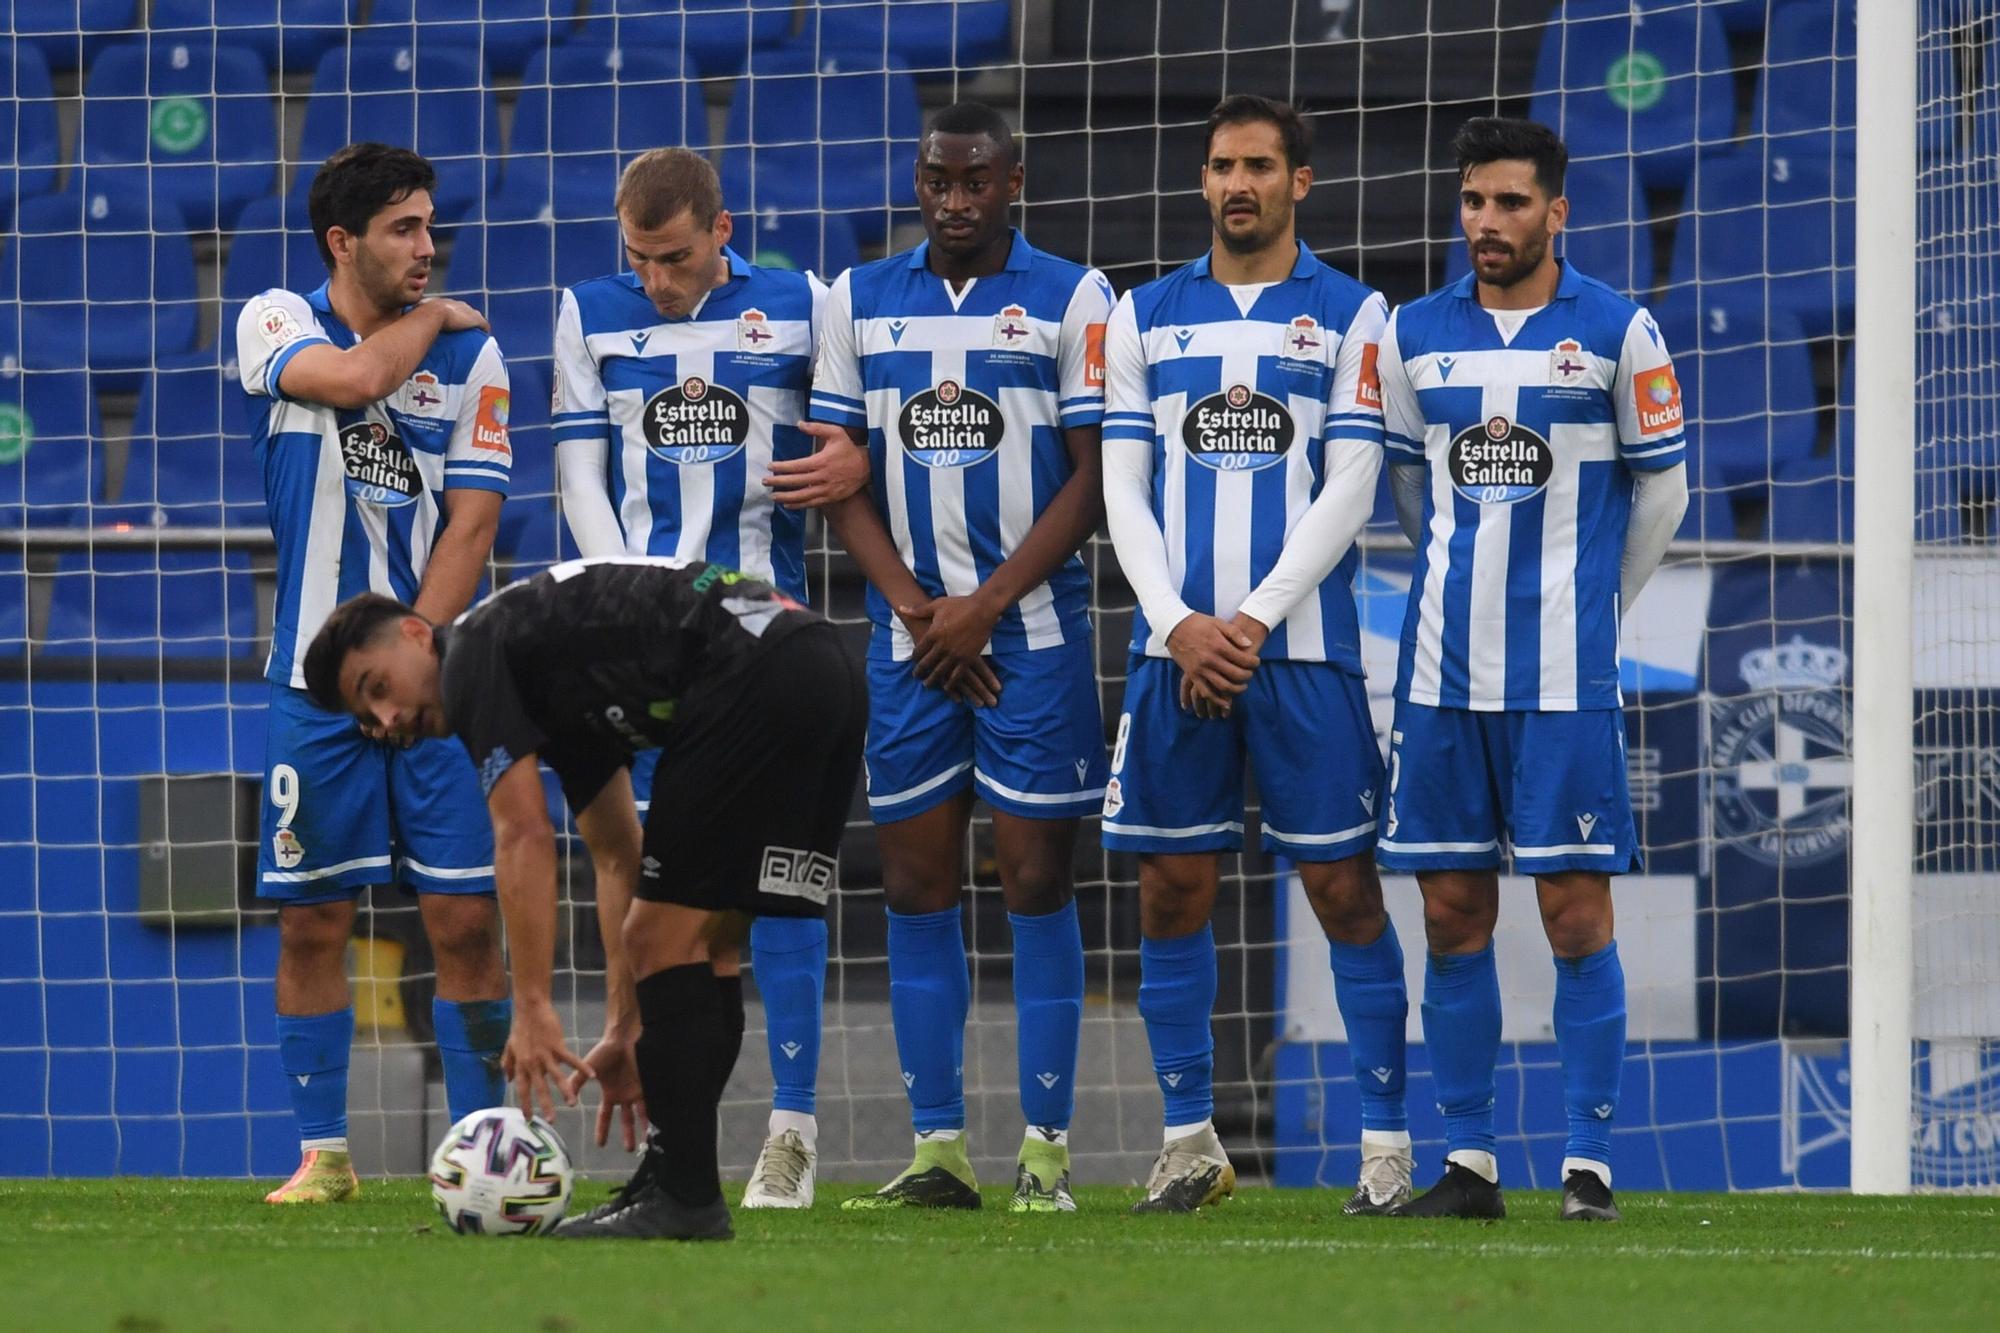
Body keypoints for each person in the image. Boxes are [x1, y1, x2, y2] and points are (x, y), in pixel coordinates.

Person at [301, 557, 868, 1241]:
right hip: (823, 670)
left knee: (664, 937)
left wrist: (534, 1006)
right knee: (707, 943)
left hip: (752, 675)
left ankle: (684, 1196)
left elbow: (523, 835)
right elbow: (614, 853)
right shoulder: (555, 678)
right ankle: (675, 1177)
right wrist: (626, 1025)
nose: (389, 717)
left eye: (378, 686)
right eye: (369, 714)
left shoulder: (471, 654)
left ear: (419, 634)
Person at [798, 101, 1113, 1212]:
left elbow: (1090, 478)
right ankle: (936, 1150)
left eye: (976, 179)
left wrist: (982, 605)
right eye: (938, 177)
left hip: (1027, 635)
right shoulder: (853, 299)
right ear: (918, 179)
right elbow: (837, 474)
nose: (955, 198)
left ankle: (1043, 1151)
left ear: (1011, 183)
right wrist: (921, 610)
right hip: (911, 643)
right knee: (915, 883)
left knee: (1034, 879)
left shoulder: (1075, 297)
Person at [1099, 94, 1411, 1214]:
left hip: (1302, 651)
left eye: (1259, 167)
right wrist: (1179, 620)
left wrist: (1252, 618)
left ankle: (1383, 1148)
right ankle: (1188, 1142)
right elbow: (1119, 485)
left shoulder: (1353, 312)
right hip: (1169, 646)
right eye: (1221, 166)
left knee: (1341, 889)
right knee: (1170, 891)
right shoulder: (1143, 315)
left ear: (1299, 183)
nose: (1238, 184)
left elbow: (1355, 482)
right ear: (1201, 181)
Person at [1372, 117, 1688, 1222]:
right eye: (1473, 201)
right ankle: (1466, 1164)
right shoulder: (1413, 332)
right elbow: (1410, 493)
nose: (1487, 222)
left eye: (1510, 203)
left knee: (1572, 914)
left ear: (1558, 211)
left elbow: (1661, 493)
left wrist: (1596, 611)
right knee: (1450, 912)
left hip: (1562, 677)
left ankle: (1588, 1162)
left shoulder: (1615, 328)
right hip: (1440, 677)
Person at [553, 146, 858, 1209]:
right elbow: (580, 473)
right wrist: (629, 591)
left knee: (773, 898)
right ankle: (686, 1148)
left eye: (674, 259)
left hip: (764, 647)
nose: (655, 282)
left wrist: (848, 463)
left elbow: (845, 444)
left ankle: (792, 1129)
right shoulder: (587, 310)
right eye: (638, 259)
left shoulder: (802, 303)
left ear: (721, 232)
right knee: (651, 885)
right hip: (645, 646)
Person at [236, 142, 513, 1205]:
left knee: (464, 921)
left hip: (438, 685)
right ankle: (326, 1156)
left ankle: (488, 1151)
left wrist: (417, 647)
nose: (427, 247)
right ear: (342, 242)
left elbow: (476, 517)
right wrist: (436, 318)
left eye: (430, 226)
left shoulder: (478, 362)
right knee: (311, 919)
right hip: (311, 688)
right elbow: (353, 379)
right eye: (404, 228)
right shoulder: (275, 318)